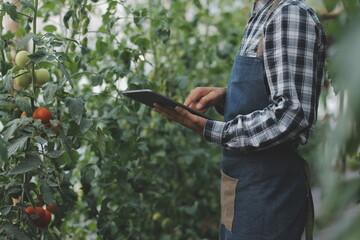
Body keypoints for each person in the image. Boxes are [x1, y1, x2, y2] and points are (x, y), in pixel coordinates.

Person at [154, 0, 326, 239]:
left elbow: (290, 115)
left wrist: (211, 129)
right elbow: (270, 92)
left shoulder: (289, 14)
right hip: (242, 189)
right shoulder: (262, 13)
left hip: (269, 192)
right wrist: (228, 98)